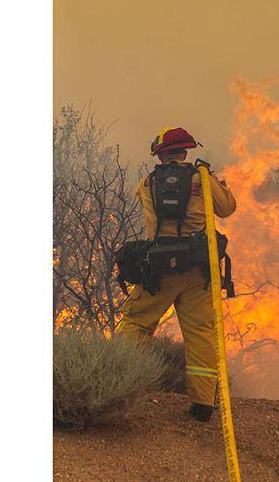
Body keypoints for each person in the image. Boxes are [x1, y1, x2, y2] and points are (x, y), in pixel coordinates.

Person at [116, 126, 237, 422]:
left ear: (160, 155)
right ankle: (203, 403)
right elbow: (227, 208)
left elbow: (147, 212)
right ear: (185, 152)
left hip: (159, 270)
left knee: (136, 323)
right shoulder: (202, 178)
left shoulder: (147, 183)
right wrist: (215, 183)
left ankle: (118, 384)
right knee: (200, 333)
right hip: (198, 270)